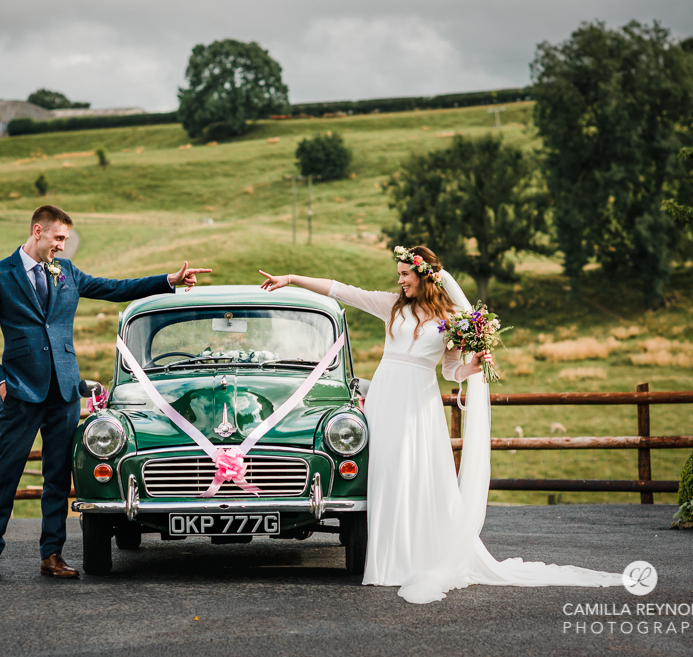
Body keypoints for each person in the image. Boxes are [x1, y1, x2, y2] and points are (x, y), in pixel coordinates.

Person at [259, 246, 622, 603]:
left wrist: (474, 365)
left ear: (425, 275)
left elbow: (451, 370)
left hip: (420, 400)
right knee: (386, 474)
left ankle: (416, 560)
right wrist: (290, 279)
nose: (400, 280)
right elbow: (341, 291)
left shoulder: (450, 319)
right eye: (399, 274)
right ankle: (386, 564)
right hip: (386, 397)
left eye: (405, 274)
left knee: (416, 474)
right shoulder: (391, 306)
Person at [0, 204, 210, 579]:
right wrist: (0, 381)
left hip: (65, 393)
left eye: (66, 240)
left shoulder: (67, 272)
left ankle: (51, 556)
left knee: (57, 477)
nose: (62, 245)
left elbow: (115, 289)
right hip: (20, 394)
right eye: (58, 238)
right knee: (5, 476)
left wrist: (168, 279)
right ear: (37, 231)